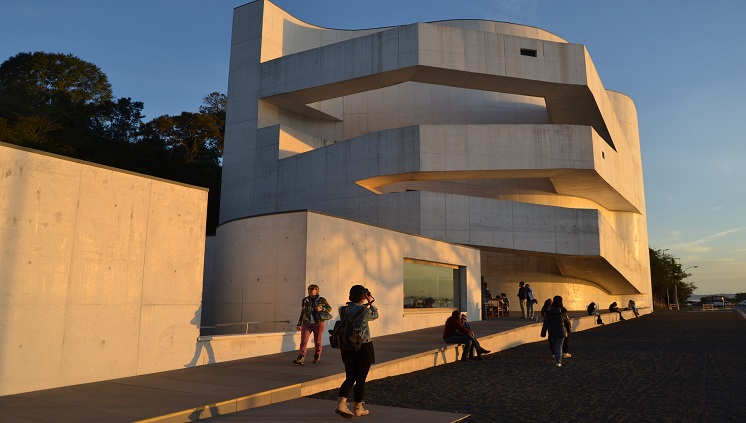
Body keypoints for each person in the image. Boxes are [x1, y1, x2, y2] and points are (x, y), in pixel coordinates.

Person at [335, 285, 379, 418]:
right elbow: (376, 314)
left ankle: (341, 404)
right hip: (363, 347)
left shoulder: (342, 309)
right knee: (360, 379)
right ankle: (358, 408)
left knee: (350, 377)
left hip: (347, 347)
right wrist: (370, 301)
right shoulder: (365, 311)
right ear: (363, 296)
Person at [293, 284, 332, 365]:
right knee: (304, 340)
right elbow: (303, 312)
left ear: (317, 290)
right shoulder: (305, 300)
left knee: (317, 340)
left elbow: (329, 308)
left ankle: (317, 356)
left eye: (312, 289)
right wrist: (299, 323)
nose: (310, 290)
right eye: (309, 289)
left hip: (318, 322)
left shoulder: (321, 300)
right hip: (306, 323)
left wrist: (321, 308)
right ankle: (301, 357)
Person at [541, 296, 571, 367]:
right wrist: (569, 330)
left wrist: (543, 332)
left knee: (555, 346)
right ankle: (558, 362)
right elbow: (567, 322)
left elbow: (546, 323)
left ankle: (556, 358)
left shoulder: (548, 312)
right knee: (559, 346)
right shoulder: (563, 311)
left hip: (552, 331)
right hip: (561, 331)